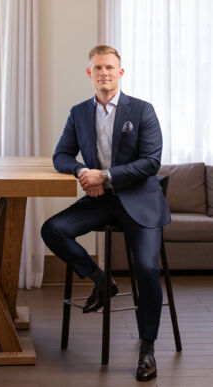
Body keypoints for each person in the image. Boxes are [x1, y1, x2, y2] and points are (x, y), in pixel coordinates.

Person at [41, 45, 171, 382]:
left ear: (121, 72)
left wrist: (107, 176)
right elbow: (61, 156)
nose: (104, 73)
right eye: (98, 67)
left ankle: (147, 348)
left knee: (145, 266)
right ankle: (101, 280)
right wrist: (84, 172)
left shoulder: (142, 110)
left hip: (140, 200)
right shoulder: (79, 112)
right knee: (53, 229)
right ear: (89, 73)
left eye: (110, 67)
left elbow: (151, 162)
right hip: (100, 199)